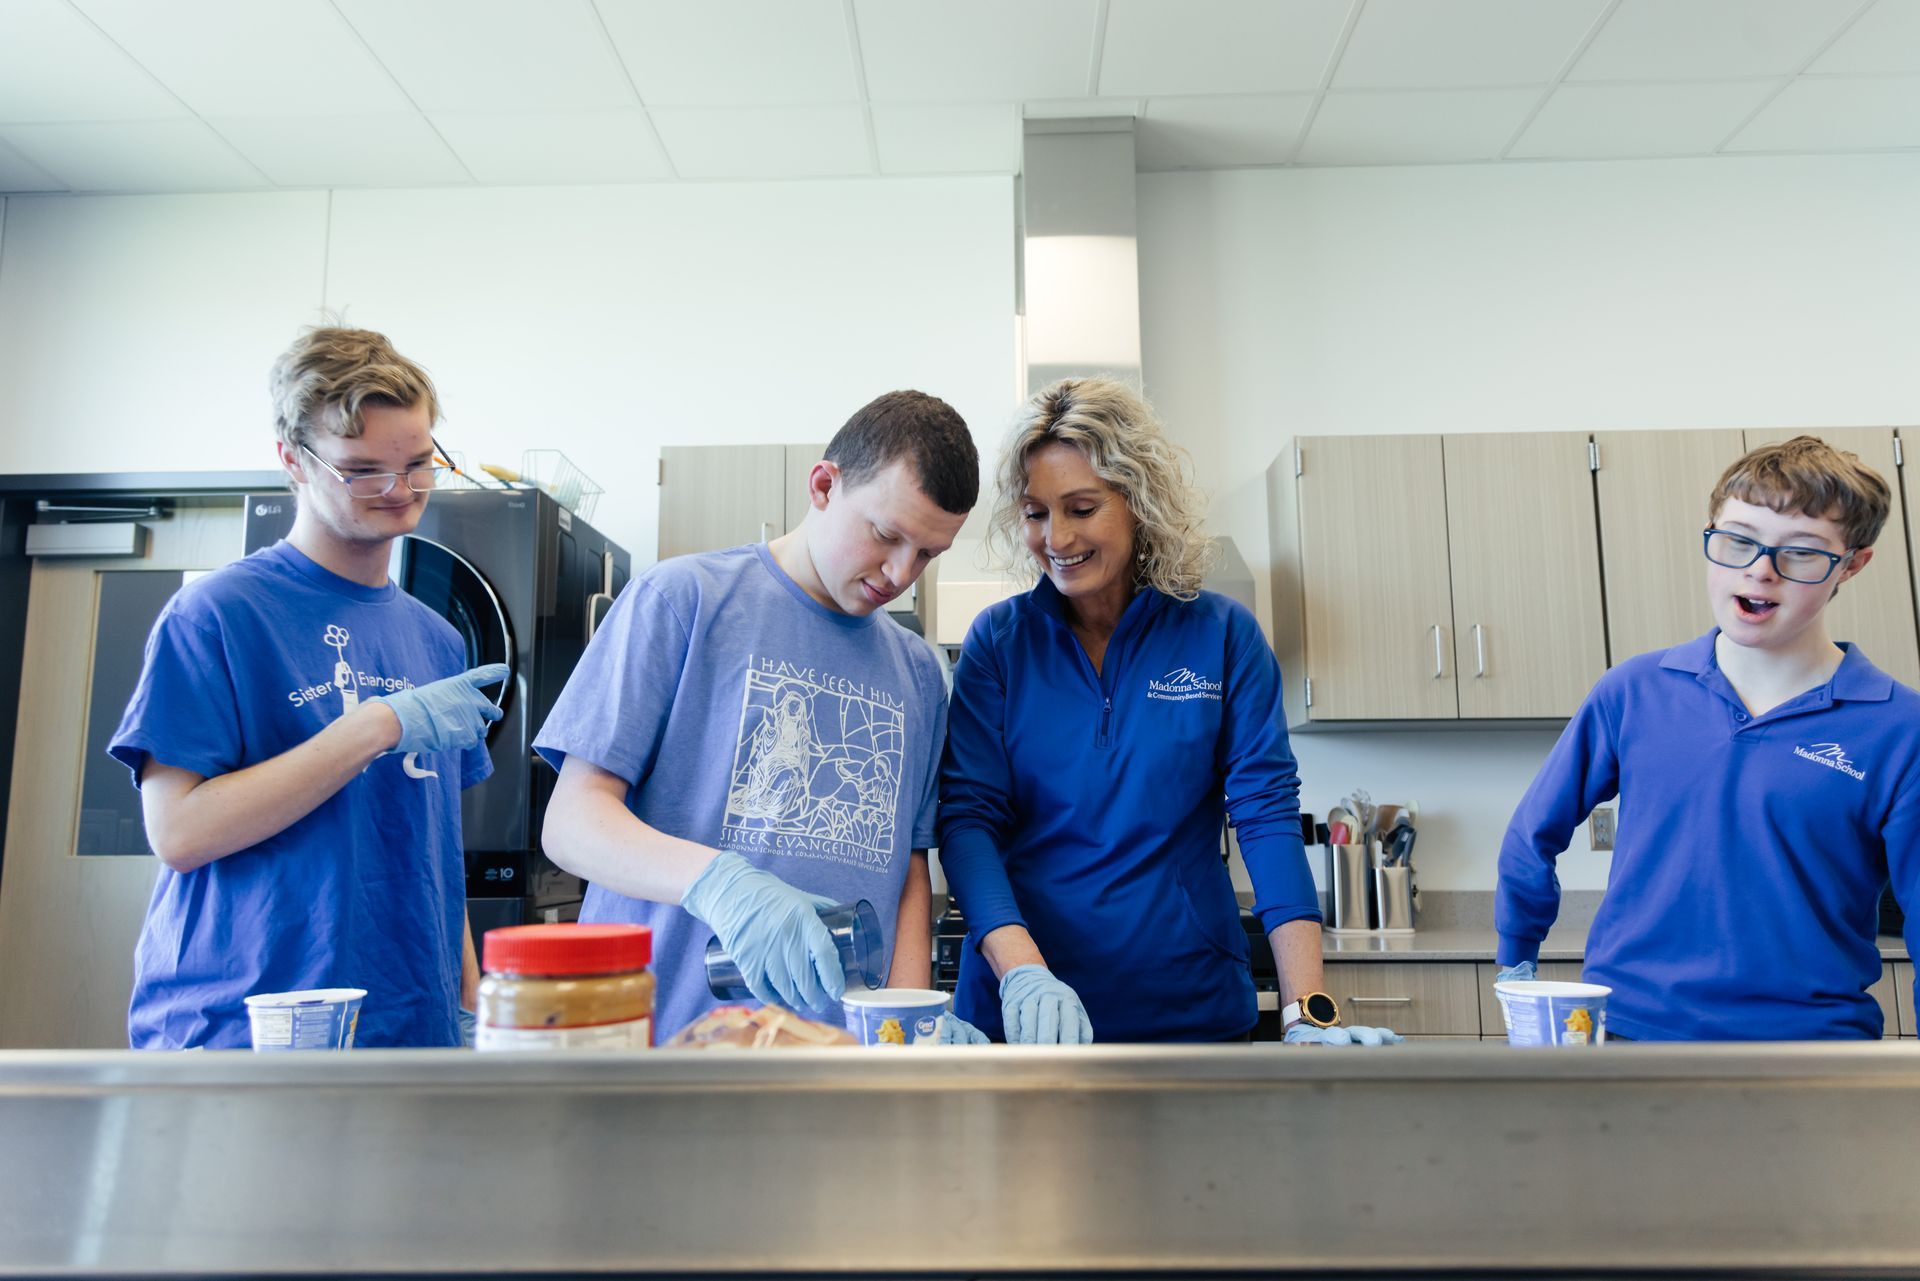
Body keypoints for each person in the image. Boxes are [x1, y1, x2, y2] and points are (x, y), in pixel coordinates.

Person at [937, 377, 1402, 1045]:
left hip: (1190, 1018)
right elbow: (969, 822)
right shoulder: (997, 645)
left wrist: (1308, 1009)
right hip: (1026, 1024)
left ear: (1138, 501)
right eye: (1036, 512)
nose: (1056, 536)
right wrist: (1022, 974)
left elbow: (1266, 816)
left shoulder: (1222, 636)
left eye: (1081, 507)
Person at [536, 391, 983, 1042]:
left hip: (835, 1066)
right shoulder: (682, 601)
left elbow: (911, 872)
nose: (900, 573)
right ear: (824, 485)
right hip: (661, 1049)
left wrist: (903, 1027)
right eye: (886, 535)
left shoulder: (918, 671)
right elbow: (570, 823)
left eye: (927, 554)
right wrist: (718, 881)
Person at [111, 325, 507, 1049]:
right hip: (246, 1029)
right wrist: (376, 725)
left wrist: (467, 1004)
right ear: (292, 459)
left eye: (420, 465)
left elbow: (432, 847)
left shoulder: (438, 638)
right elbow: (180, 833)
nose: (398, 492)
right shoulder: (219, 616)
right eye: (361, 471)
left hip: (406, 1027)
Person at [1495, 436, 1920, 1039]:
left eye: (1800, 553)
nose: (1759, 570)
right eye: (1738, 540)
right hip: (1627, 1038)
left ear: (1852, 564)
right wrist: (1517, 966)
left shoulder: (1901, 728)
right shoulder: (1633, 691)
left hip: (1812, 1054)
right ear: (1710, 532)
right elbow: (1531, 835)